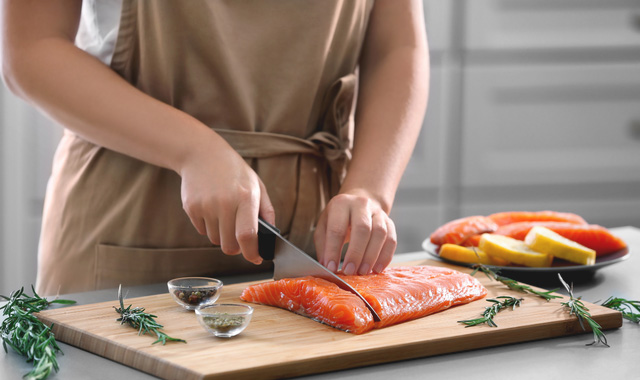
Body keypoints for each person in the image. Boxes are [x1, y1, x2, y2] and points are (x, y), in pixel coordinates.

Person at [1, 0, 428, 296]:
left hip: (309, 234)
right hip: (127, 220)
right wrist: (194, 150)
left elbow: (398, 46)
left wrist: (369, 189)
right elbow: (31, 51)